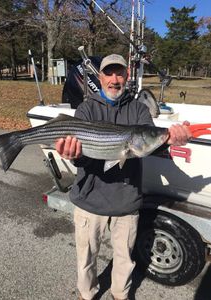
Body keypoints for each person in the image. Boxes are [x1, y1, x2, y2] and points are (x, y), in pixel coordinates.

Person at [55, 54, 192, 300]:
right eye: (109, 73)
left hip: (126, 200)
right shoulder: (87, 108)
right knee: (86, 256)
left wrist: (169, 139)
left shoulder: (139, 109)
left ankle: (121, 294)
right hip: (90, 197)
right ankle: (86, 294)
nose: (115, 80)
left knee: (124, 258)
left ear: (127, 76)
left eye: (120, 73)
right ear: (100, 77)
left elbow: (150, 142)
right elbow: (81, 156)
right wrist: (73, 156)